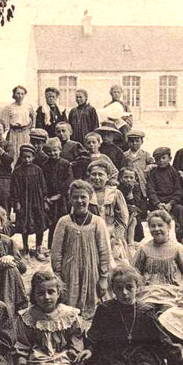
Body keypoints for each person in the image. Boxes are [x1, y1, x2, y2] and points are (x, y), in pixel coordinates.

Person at [86, 266, 183, 365]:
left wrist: (181, 362)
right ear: (112, 290)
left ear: (137, 287)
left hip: (140, 353)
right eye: (119, 289)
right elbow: (94, 333)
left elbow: (162, 340)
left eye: (129, 287)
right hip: (113, 352)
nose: (124, 293)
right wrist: (89, 349)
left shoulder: (145, 311)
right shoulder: (105, 309)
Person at [15, 270, 90, 365]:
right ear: (34, 295)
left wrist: (75, 350)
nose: (46, 297)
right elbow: (22, 342)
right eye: (40, 293)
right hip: (39, 357)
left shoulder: (69, 314)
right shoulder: (28, 316)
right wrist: (22, 362)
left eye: (51, 292)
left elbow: (76, 335)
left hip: (64, 355)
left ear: (59, 293)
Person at [51, 180, 113, 320]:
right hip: (69, 271)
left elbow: (104, 251)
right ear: (70, 199)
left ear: (90, 198)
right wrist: (58, 274)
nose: (79, 201)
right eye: (75, 197)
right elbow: (56, 251)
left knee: (95, 309)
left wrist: (103, 278)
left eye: (83, 197)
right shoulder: (64, 222)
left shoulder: (98, 222)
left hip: (92, 271)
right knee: (68, 311)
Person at [131, 210, 183, 310]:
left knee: (166, 312)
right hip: (147, 293)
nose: (156, 229)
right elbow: (133, 273)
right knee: (145, 311)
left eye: (160, 225)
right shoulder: (143, 249)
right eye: (153, 226)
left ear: (168, 226)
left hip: (172, 293)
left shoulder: (177, 248)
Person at [0, 205, 28, 315]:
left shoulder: (8, 241)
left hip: (7, 285)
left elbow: (23, 268)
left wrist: (11, 258)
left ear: (1, 225)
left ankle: (9, 311)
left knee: (10, 269)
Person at [88, 159, 130, 265]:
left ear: (107, 177)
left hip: (112, 237)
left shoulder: (115, 194)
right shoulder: (85, 194)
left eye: (100, 175)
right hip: (91, 237)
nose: (97, 178)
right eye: (94, 174)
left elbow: (123, 219)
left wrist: (115, 237)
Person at [11, 144, 49, 257]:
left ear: (33, 157)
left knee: (39, 224)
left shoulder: (38, 170)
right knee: (24, 225)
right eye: (24, 157)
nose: (27, 159)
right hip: (24, 202)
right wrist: (16, 202)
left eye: (29, 157)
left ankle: (38, 247)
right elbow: (14, 188)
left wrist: (44, 200)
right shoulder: (17, 171)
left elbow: (43, 186)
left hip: (37, 201)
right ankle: (26, 248)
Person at [41, 137, 74, 254]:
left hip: (62, 199)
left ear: (60, 150)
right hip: (50, 199)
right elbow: (42, 182)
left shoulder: (65, 164)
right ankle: (52, 247)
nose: (52, 153)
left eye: (55, 150)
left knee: (64, 221)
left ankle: (66, 247)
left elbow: (69, 181)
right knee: (52, 223)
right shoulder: (45, 165)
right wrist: (46, 198)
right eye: (49, 151)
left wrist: (60, 194)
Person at [147, 147, 183, 244]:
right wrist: (158, 203)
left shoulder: (174, 172)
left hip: (170, 202)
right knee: (156, 217)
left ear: (170, 158)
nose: (161, 161)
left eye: (164, 158)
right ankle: (159, 238)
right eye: (158, 159)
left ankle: (179, 236)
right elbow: (151, 190)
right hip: (158, 203)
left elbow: (178, 190)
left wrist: (171, 203)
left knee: (180, 209)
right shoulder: (153, 173)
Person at [0, 85, 35, 155]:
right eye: (18, 93)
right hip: (13, 133)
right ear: (14, 94)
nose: (20, 96)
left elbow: (34, 118)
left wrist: (32, 128)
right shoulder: (9, 107)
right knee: (13, 152)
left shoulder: (28, 106)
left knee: (25, 151)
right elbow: (3, 120)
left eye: (22, 94)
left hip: (25, 133)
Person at [99, 85, 133, 151]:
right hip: (111, 130)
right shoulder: (107, 106)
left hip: (122, 131)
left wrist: (123, 121)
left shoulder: (125, 106)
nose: (116, 94)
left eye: (118, 92)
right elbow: (103, 119)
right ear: (111, 94)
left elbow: (130, 122)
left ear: (121, 93)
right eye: (114, 92)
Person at [118, 167, 147, 244]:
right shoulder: (118, 187)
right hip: (120, 210)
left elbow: (136, 203)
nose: (128, 180)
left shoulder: (136, 187)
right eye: (126, 177)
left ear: (135, 179)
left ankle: (133, 240)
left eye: (131, 178)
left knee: (135, 218)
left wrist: (130, 195)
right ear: (120, 178)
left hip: (132, 209)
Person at [125, 129, 154, 199]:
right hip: (129, 184)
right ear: (128, 142)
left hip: (142, 185)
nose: (134, 143)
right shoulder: (124, 155)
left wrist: (149, 167)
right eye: (132, 141)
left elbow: (154, 165)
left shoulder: (145, 155)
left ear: (142, 142)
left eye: (137, 141)